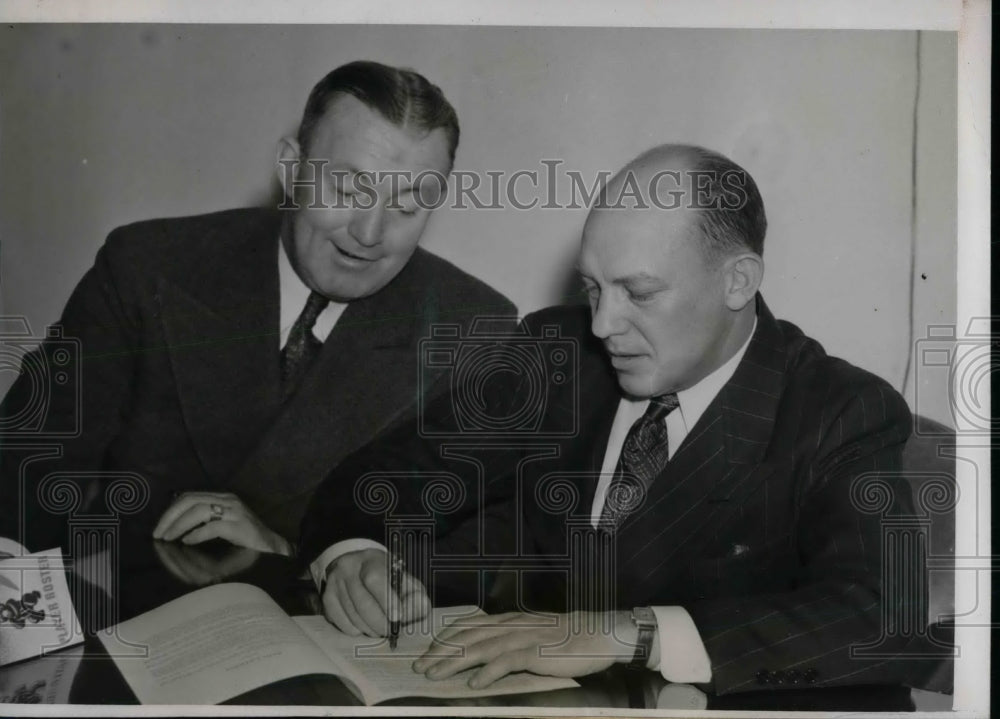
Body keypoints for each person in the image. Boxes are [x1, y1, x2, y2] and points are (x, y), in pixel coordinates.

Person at [299, 144, 922, 695]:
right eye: (593, 288)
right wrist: (355, 554)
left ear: (738, 281)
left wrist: (634, 633)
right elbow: (388, 475)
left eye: (639, 293)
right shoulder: (556, 353)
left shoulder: (839, 411)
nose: (602, 325)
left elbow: (882, 619)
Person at [0, 60, 515, 556]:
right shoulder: (146, 268)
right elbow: (25, 468)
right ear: (291, 169)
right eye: (347, 189)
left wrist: (298, 555)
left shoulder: (472, 331)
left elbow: (463, 560)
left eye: (407, 206)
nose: (369, 233)